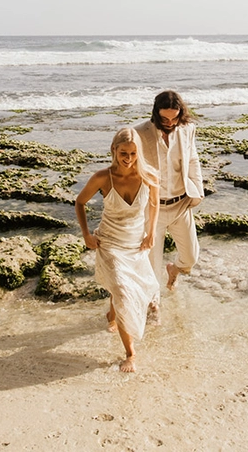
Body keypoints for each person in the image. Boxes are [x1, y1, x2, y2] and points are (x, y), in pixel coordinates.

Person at [75, 127, 160, 372]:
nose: (128, 158)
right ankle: (130, 354)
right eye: (123, 153)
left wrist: (152, 232)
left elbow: (154, 203)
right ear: (114, 150)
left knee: (126, 287)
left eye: (133, 153)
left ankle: (111, 316)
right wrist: (86, 234)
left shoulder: (149, 176)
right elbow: (80, 202)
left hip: (135, 244)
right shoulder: (103, 177)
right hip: (110, 243)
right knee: (123, 291)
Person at [135, 90, 204, 309]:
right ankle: (154, 309)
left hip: (181, 204)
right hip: (152, 208)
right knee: (152, 267)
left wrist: (198, 189)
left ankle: (174, 270)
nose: (170, 123)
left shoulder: (188, 128)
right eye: (165, 119)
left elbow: (192, 159)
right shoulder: (139, 133)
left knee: (191, 257)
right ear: (155, 113)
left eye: (175, 118)